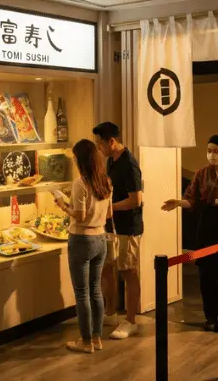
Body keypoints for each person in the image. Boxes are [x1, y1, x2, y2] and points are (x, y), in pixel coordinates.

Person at [161, 134, 218, 333]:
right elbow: (192, 201)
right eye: (209, 151)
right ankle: (210, 316)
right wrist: (177, 203)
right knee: (207, 274)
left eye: (216, 151)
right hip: (207, 223)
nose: (212, 155)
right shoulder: (201, 173)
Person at [53, 139, 112, 354]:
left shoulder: (80, 183)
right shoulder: (106, 181)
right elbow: (109, 214)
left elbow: (79, 215)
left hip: (81, 240)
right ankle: (97, 338)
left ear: (81, 160)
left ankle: (85, 342)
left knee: (81, 293)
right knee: (96, 290)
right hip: (100, 239)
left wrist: (62, 205)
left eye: (75, 157)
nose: (74, 160)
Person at [93, 122, 143, 340]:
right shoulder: (110, 161)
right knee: (107, 267)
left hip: (128, 226)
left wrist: (111, 208)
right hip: (110, 226)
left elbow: (136, 200)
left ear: (111, 141)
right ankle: (110, 312)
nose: (99, 148)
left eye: (100, 144)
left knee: (128, 271)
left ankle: (131, 320)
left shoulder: (129, 164)